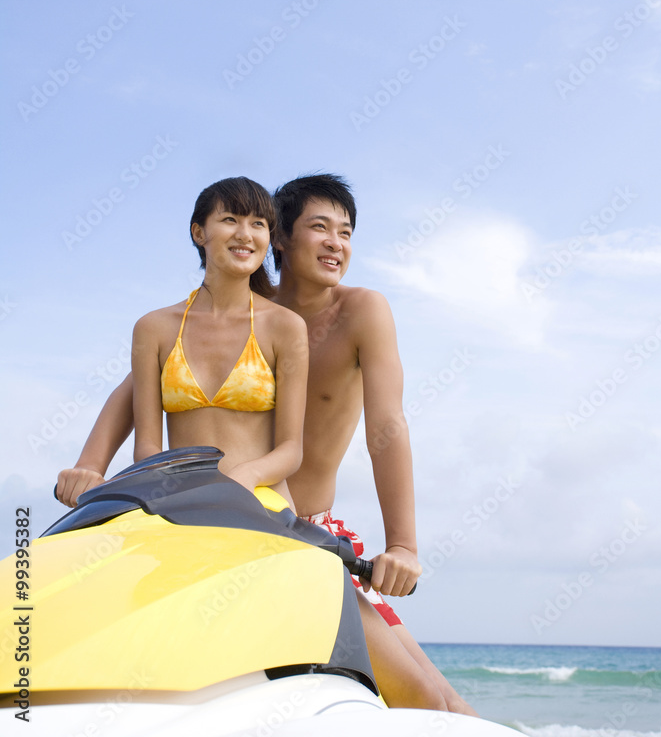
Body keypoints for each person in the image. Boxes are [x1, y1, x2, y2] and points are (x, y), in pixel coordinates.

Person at [57, 174, 475, 714]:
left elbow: (386, 428)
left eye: (346, 232)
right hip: (201, 520)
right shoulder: (240, 304)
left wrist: (403, 546)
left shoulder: (359, 311)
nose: (335, 243)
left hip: (301, 528)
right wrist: (91, 464)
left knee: (432, 697)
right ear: (282, 239)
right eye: (319, 228)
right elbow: (144, 381)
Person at [130, 176, 307, 503]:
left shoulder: (286, 327)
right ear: (199, 232)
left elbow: (290, 450)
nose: (245, 234)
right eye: (230, 219)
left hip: (263, 506)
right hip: (180, 505)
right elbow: (147, 447)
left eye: (258, 224)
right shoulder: (153, 328)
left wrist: (247, 475)